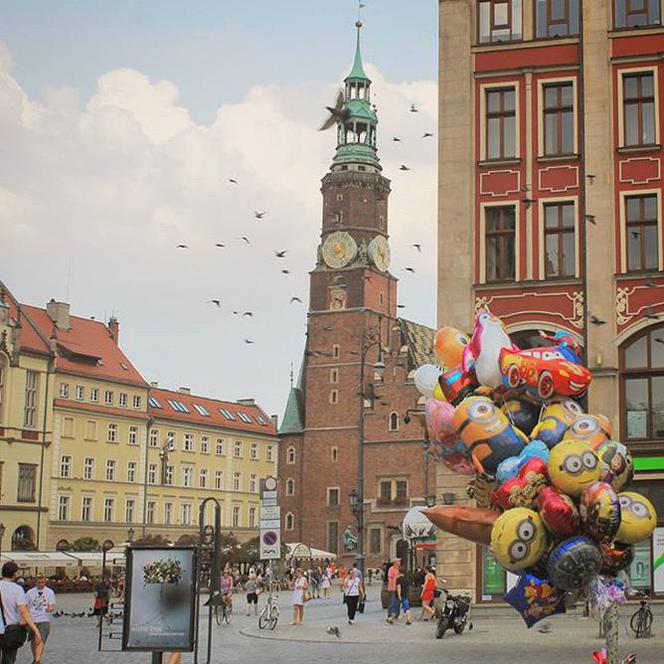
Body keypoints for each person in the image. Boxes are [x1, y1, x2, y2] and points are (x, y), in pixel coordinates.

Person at [0, 561, 42, 664]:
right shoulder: (17, 589)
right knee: (9, 658)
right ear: (14, 574)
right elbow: (23, 611)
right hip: (9, 631)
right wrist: (35, 629)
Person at [25, 574, 55, 663]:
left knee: (40, 639)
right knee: (34, 641)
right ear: (36, 582)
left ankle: (37, 661)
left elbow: (52, 604)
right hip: (32, 619)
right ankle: (36, 659)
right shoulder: (30, 593)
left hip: (44, 619)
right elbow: (25, 606)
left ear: (45, 582)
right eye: (39, 582)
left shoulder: (50, 592)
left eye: (43, 582)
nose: (41, 584)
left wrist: (50, 608)